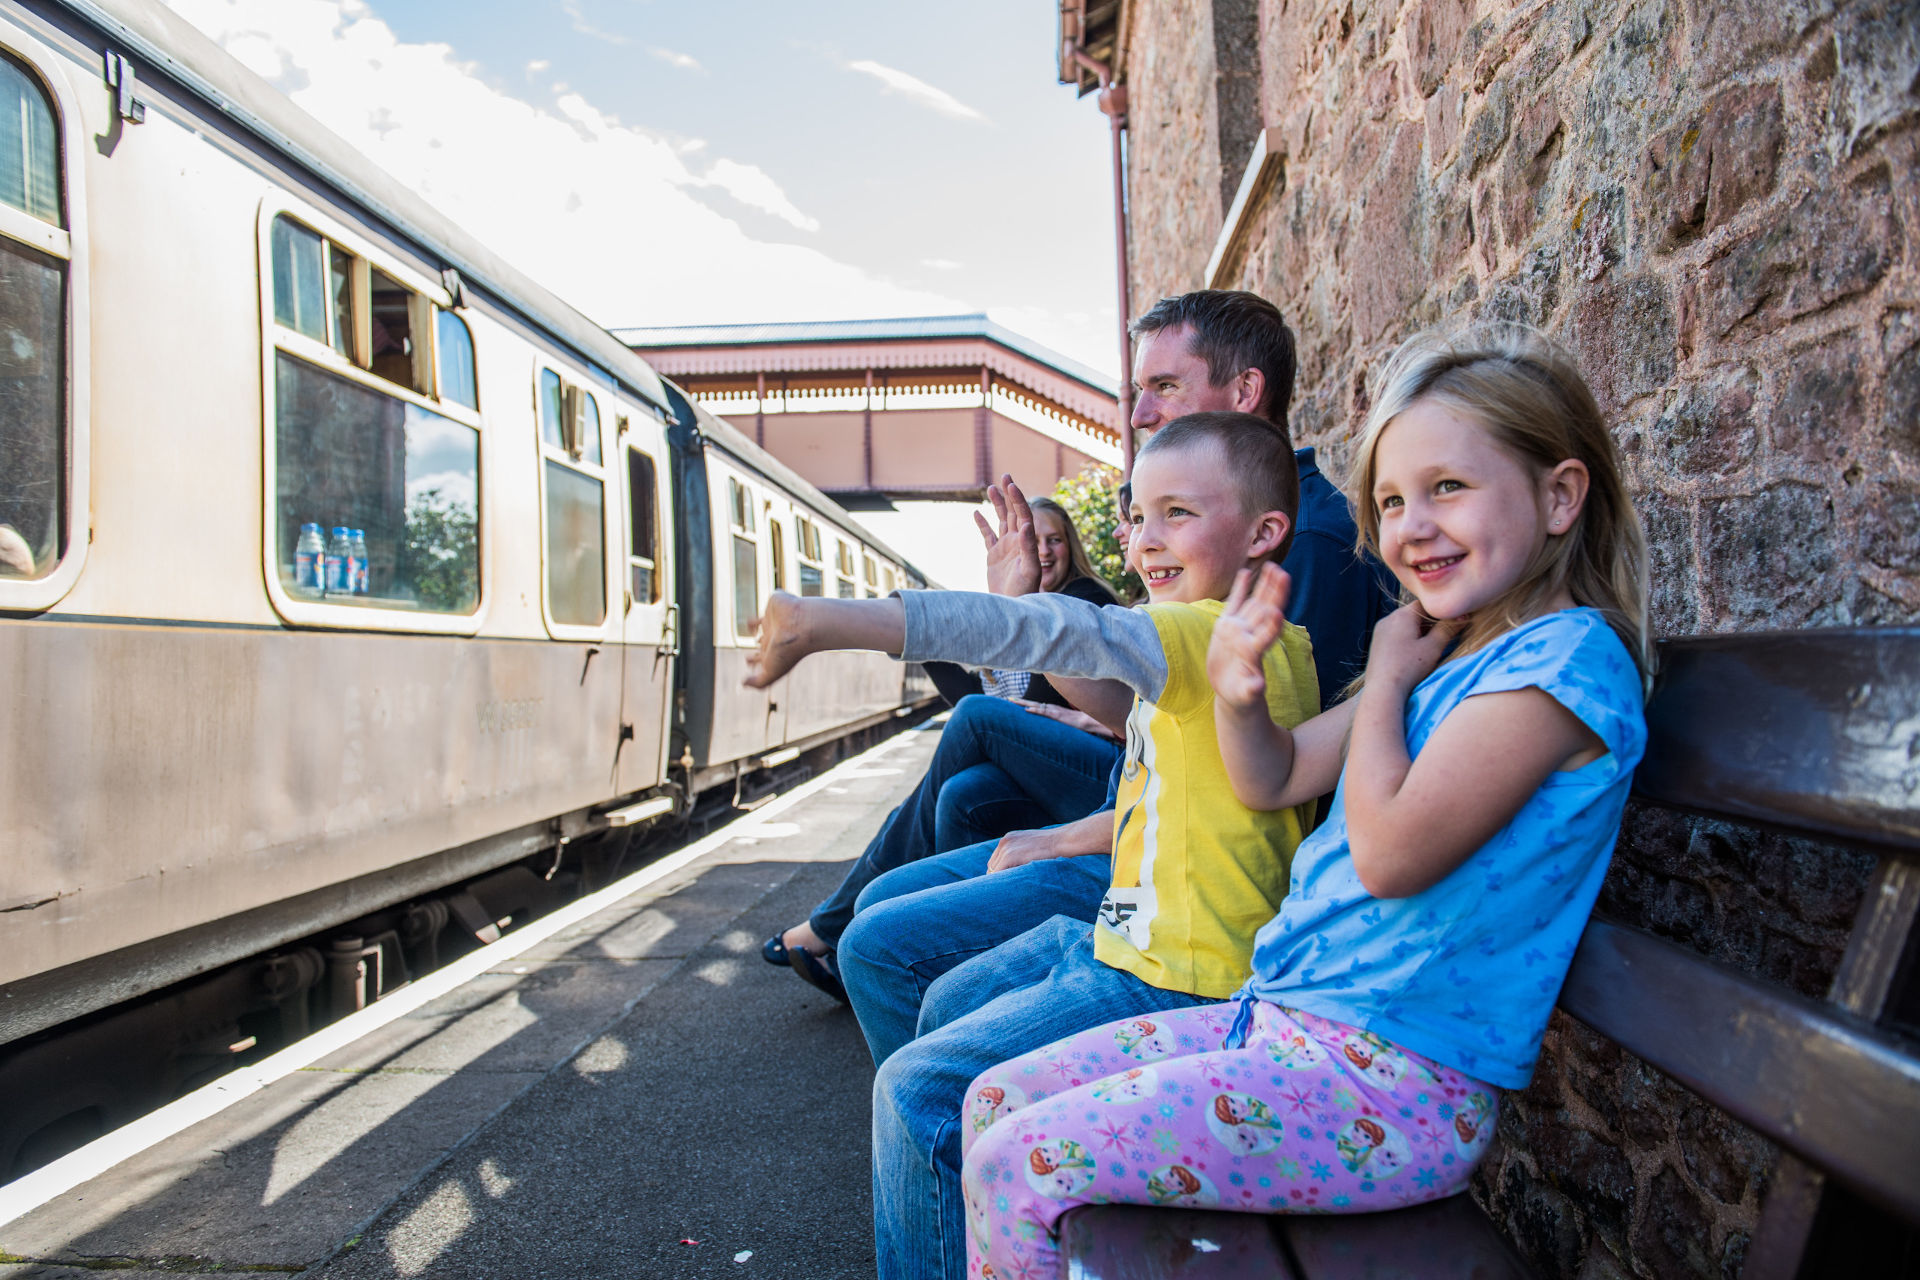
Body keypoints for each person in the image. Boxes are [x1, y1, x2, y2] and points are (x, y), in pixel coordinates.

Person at [958, 324, 1652, 1280]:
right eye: (1394, 498)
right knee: (992, 1101)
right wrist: (1243, 696)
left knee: (1018, 1166)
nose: (1411, 524)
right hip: (1286, 1028)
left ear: (1559, 494)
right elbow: (1273, 776)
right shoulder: (1457, 659)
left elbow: (1390, 853)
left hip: (1391, 1085)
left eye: (1448, 487)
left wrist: (1387, 677)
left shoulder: (1563, 662)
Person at [746, 411, 1321, 1279]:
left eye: (1179, 515)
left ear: (1265, 533)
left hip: (1176, 981)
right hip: (1133, 943)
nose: (1143, 543)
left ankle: (955, 1190)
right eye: (1138, 518)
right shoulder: (1252, 645)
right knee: (938, 1007)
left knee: (914, 1092)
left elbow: (1057, 637)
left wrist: (829, 619)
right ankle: (976, 1210)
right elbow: (1114, 705)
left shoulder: (1205, 634)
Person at [830, 290, 1394, 1066]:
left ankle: (944, 1115)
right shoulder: (1222, 558)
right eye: (1141, 522)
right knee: (948, 823)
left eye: (1162, 387)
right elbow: (1151, 715)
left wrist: (1064, 837)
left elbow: (1267, 786)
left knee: (891, 934)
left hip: (1175, 905)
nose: (1136, 414)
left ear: (1243, 394)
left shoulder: (1308, 553)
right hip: (1136, 845)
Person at [767, 496, 1124, 1001]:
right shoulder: (1024, 607)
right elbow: (1001, 713)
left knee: (973, 722)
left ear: (1073, 548)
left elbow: (1011, 714)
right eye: (1032, 540)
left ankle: (834, 926)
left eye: (1053, 540)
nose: (1042, 551)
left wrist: (988, 622)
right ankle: (941, 968)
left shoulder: (1082, 597)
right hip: (1051, 768)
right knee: (960, 793)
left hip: (1100, 771)